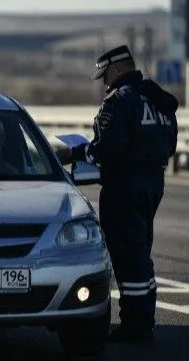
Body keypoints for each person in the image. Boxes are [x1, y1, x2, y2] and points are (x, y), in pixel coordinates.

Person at [68, 45, 179, 343]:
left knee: (128, 257)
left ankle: (135, 326)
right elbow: (170, 145)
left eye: (105, 75)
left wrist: (80, 152)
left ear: (117, 69)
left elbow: (106, 148)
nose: (105, 82)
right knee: (141, 252)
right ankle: (144, 319)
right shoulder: (157, 99)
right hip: (153, 182)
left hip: (124, 187)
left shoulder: (120, 101)